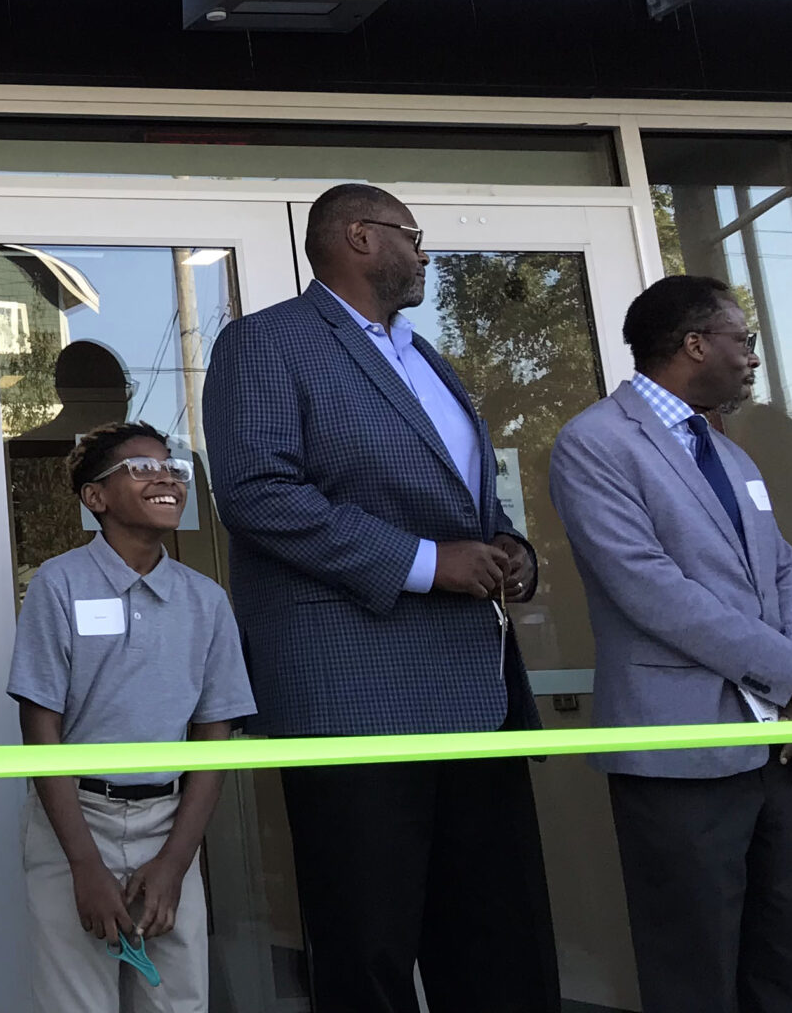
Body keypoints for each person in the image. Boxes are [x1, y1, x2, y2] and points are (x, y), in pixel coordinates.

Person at [200, 182, 553, 1013]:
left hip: (477, 698)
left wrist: (509, 549)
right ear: (360, 237)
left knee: (503, 952)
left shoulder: (426, 356)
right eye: (412, 233)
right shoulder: (265, 343)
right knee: (370, 959)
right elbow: (257, 493)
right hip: (356, 699)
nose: (425, 251)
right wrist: (430, 563)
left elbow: (470, 500)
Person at [549, 274, 792, 1013]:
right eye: (743, 340)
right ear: (694, 343)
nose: (753, 358)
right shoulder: (595, 443)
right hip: (680, 753)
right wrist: (787, 669)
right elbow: (648, 587)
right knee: (696, 973)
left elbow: (783, 570)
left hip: (778, 749)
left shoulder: (730, 454)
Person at [8, 420, 254, 1013]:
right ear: (96, 498)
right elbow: (40, 728)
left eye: (174, 469)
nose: (167, 477)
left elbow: (213, 734)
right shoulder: (58, 584)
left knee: (177, 999)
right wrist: (85, 866)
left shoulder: (206, 600)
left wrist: (175, 862)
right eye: (142, 469)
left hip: (169, 823)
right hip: (74, 821)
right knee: (77, 1002)